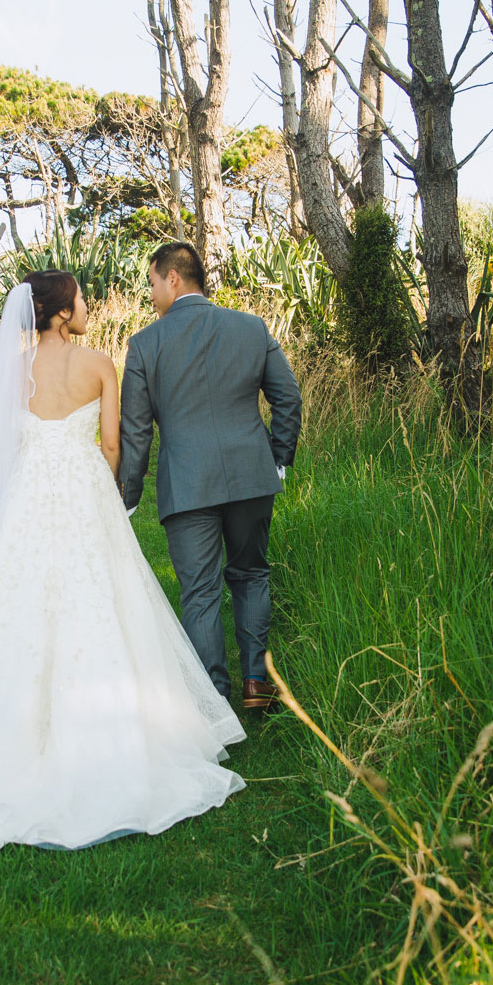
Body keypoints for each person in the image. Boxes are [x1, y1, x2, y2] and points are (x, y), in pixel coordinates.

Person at [0, 270, 246, 858]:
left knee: (17, 606)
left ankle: (1, 738)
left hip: (27, 499)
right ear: (60, 312)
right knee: (101, 602)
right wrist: (102, 496)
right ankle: (112, 735)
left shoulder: (12, 373)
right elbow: (112, 446)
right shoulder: (100, 363)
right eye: (80, 298)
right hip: (83, 493)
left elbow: (0, 453)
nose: (87, 305)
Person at [117, 241, 302, 709]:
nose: (152, 291)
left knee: (199, 591)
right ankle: (257, 681)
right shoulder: (250, 327)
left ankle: (214, 699)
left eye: (153, 281)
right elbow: (289, 398)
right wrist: (277, 459)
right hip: (251, 477)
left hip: (187, 485)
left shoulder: (144, 345)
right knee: (251, 573)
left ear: (172, 277)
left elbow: (136, 433)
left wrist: (128, 496)